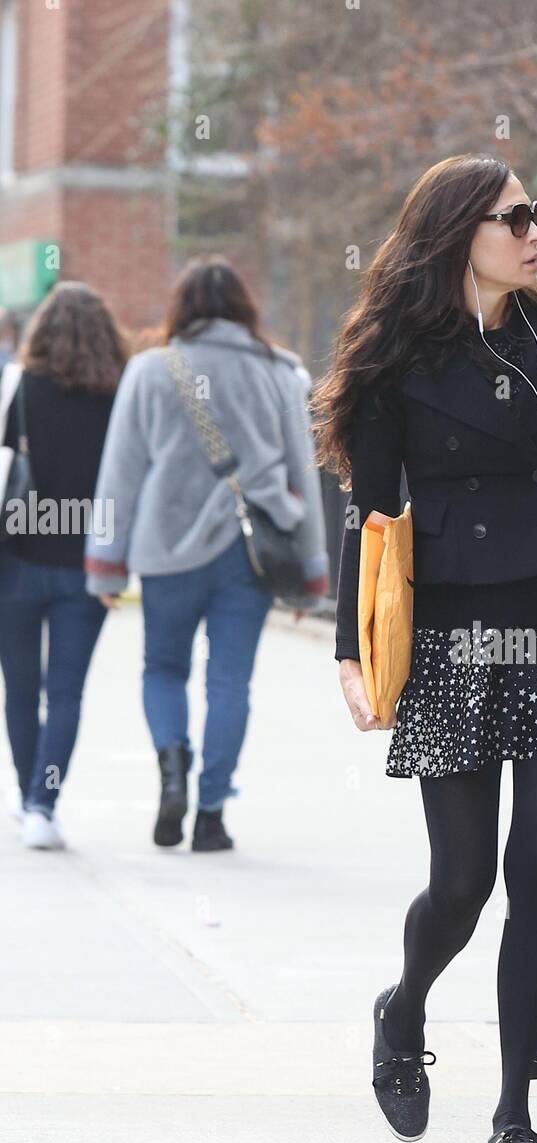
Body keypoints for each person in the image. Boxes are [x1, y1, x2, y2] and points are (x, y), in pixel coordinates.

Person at [314, 154, 537, 1143]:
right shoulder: (395, 358)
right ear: (463, 229)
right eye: (517, 218)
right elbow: (371, 520)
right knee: (460, 883)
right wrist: (350, 646)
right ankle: (404, 1004)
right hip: (454, 637)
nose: (536, 234)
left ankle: (515, 1113)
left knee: (535, 874)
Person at [84, 256, 329, 852]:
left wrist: (106, 559)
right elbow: (306, 472)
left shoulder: (148, 371)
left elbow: (119, 474)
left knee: (163, 669)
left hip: (166, 550)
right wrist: (312, 571)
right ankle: (212, 814)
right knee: (230, 684)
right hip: (252, 556)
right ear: (246, 306)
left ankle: (173, 771)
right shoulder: (282, 372)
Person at [0, 282, 128, 849]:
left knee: (21, 690)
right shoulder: (119, 393)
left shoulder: (22, 385)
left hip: (18, 558)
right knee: (67, 693)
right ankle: (42, 803)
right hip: (88, 561)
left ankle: (31, 801)